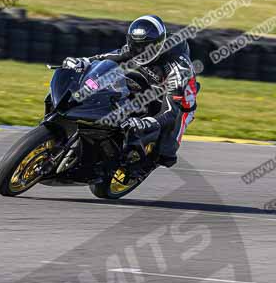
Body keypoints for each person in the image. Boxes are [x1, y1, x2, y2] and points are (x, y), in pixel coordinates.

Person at [62, 15, 198, 168]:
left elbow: (171, 111)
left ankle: (140, 165)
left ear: (159, 45)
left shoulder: (178, 68)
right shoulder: (134, 49)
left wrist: (146, 123)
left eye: (145, 47)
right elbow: (109, 58)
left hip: (179, 102)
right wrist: (84, 61)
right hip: (151, 85)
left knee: (165, 154)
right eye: (135, 46)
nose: (139, 52)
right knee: (114, 79)